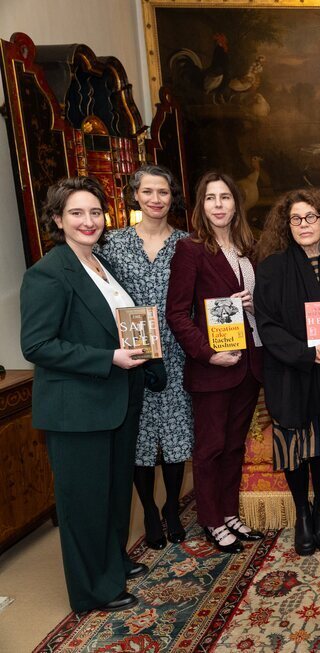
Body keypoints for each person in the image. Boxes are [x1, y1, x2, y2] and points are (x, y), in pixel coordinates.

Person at [20, 177, 166, 613]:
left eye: (95, 212)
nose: (88, 221)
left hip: (116, 401)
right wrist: (109, 359)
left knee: (114, 493)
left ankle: (112, 563)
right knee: (85, 503)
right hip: (78, 409)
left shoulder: (103, 265)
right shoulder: (47, 273)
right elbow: (38, 346)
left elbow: (122, 323)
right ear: (57, 219)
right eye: (77, 213)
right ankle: (92, 590)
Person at [255, 188, 320, 555]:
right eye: (296, 219)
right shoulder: (271, 268)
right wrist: (306, 354)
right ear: (286, 225)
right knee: (296, 448)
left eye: (311, 217)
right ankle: (302, 512)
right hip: (292, 372)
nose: (304, 225)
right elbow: (267, 326)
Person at [167, 172, 264, 554]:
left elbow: (260, 303)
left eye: (226, 197)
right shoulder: (191, 250)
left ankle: (229, 513)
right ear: (200, 205)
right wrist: (208, 353)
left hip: (249, 362)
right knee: (209, 448)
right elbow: (176, 313)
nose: (219, 204)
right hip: (212, 367)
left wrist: (255, 304)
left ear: (236, 204)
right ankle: (210, 519)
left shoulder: (249, 248)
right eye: (211, 198)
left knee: (235, 446)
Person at [99, 164, 192, 550]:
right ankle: (150, 513)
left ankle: (171, 506)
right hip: (133, 353)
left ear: (173, 197)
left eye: (164, 192)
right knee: (138, 439)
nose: (156, 199)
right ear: (135, 195)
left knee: (175, 435)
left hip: (176, 350)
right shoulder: (111, 244)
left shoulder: (188, 243)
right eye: (148, 192)